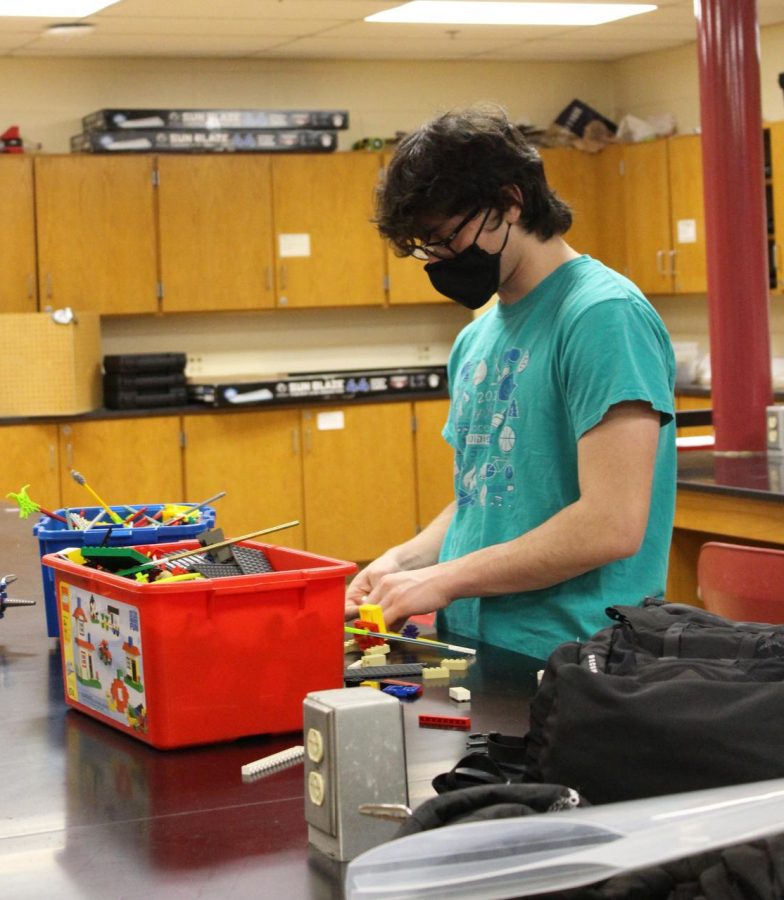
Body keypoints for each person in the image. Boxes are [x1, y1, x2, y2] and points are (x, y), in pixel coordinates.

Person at [345, 104, 676, 662]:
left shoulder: (602, 316)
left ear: (510, 202)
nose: (440, 260)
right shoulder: (477, 339)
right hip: (479, 644)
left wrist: (447, 579)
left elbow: (611, 524)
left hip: (577, 656)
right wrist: (406, 562)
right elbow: (485, 496)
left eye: (446, 237)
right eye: (424, 248)